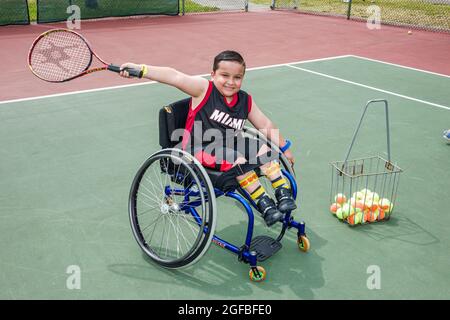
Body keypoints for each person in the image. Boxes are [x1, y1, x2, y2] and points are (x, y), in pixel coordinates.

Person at [119, 50, 296, 227]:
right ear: (213, 74)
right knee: (238, 159)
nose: (230, 82)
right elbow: (175, 76)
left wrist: (284, 148)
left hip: (230, 144)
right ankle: (264, 204)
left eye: (237, 77)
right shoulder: (203, 89)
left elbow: (265, 123)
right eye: (224, 75)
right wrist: (141, 69)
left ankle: (283, 193)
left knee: (264, 149)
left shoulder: (245, 100)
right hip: (198, 149)